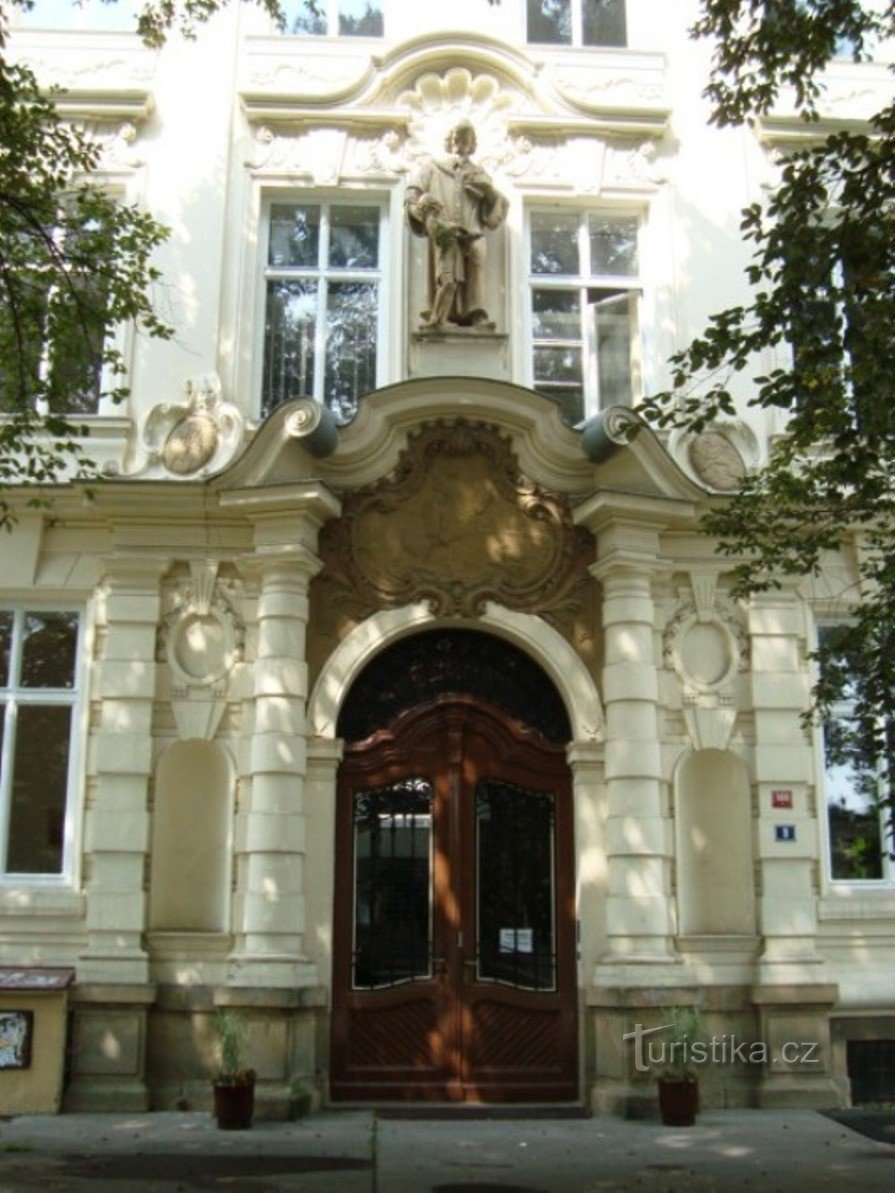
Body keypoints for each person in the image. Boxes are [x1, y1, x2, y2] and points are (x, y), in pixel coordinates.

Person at [405, 119, 508, 330]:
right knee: (447, 275)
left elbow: (497, 205)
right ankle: (444, 316)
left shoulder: (479, 173)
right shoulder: (433, 169)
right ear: (450, 142)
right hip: (445, 232)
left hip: (473, 230)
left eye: (466, 141)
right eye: (457, 139)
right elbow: (412, 195)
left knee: (476, 257)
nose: (461, 145)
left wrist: (487, 191)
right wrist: (419, 211)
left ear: (472, 145)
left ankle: (477, 313)